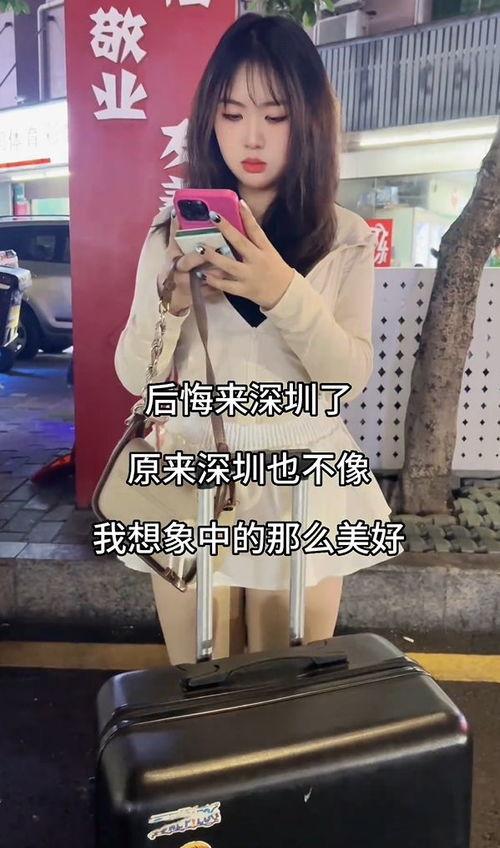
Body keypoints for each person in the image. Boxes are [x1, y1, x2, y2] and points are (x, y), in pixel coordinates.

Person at [114, 13, 404, 664]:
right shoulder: (172, 233)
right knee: (200, 687)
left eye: (276, 115)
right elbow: (136, 378)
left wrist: (281, 290)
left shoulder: (345, 237)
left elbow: (347, 378)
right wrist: (171, 303)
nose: (252, 135)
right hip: (192, 471)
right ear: (209, 119)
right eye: (232, 112)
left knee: (287, 695)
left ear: (309, 120)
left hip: (302, 477)